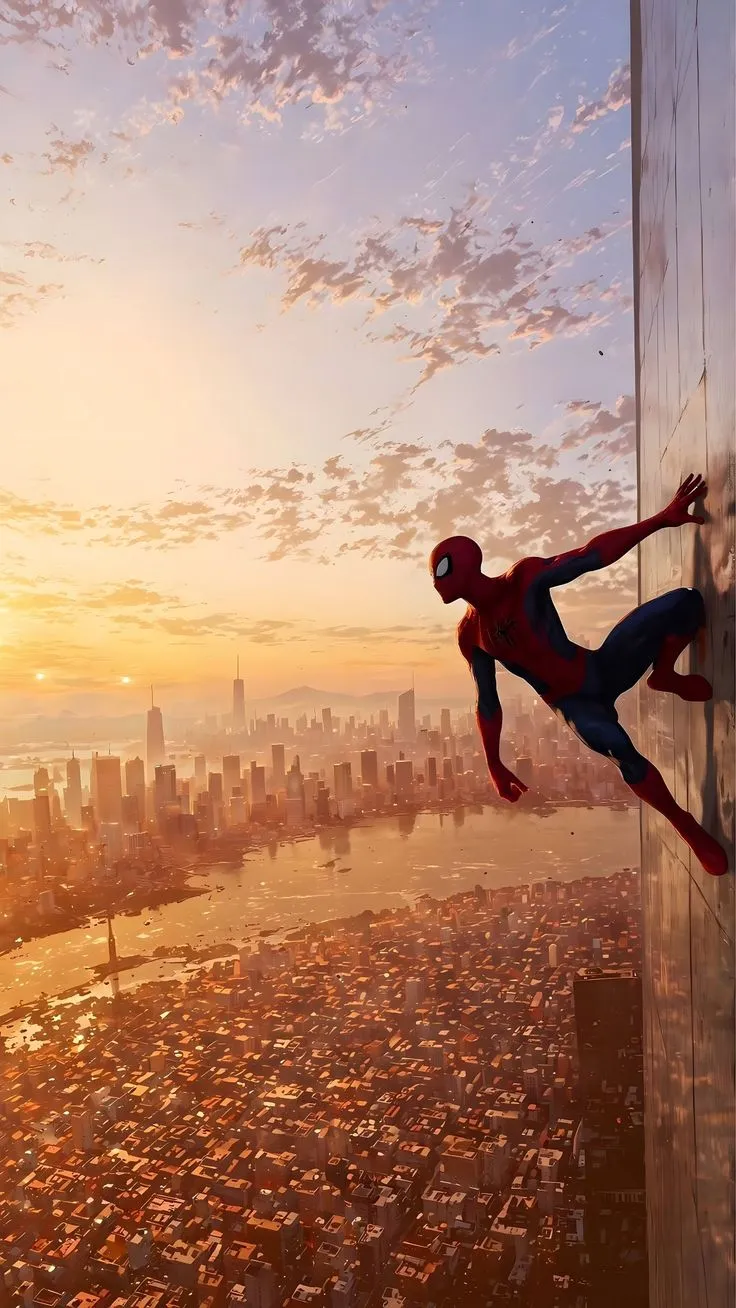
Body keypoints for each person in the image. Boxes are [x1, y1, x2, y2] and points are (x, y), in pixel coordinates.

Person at [429, 474, 728, 877]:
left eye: (443, 567)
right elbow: (487, 703)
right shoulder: (472, 636)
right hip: (573, 704)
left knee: (685, 604)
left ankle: (664, 675)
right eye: (435, 571)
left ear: (467, 562)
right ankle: (686, 826)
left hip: (600, 668)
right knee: (619, 747)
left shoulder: (524, 580)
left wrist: (660, 519)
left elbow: (591, 556)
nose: (437, 580)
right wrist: (493, 764)